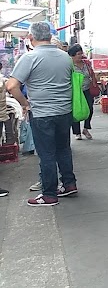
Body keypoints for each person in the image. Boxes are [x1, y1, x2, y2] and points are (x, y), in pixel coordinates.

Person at [6, 22, 78, 207]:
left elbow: (11, 86)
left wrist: (25, 104)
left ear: (31, 37)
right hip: (64, 111)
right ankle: (69, 184)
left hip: (42, 113)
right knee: (63, 149)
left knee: (46, 154)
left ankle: (49, 194)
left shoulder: (30, 57)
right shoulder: (65, 57)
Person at [68, 45, 97, 141]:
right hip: (75, 91)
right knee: (76, 111)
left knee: (89, 109)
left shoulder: (86, 63)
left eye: (81, 53)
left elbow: (92, 73)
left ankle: (86, 128)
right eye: (78, 54)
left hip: (87, 89)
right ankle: (77, 132)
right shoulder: (69, 65)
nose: (81, 56)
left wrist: (94, 83)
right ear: (72, 55)